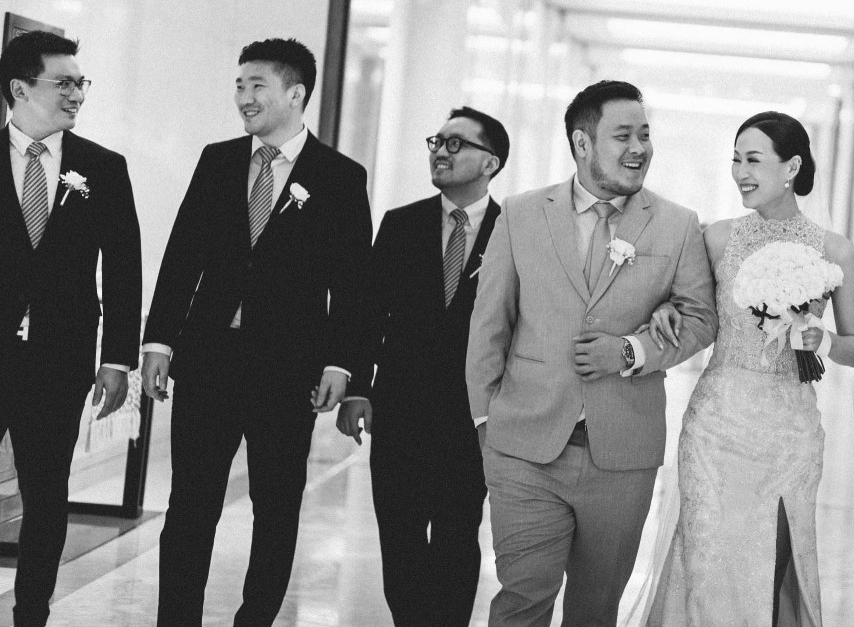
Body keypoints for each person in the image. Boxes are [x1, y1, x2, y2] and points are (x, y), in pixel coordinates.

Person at [466, 80, 717, 627]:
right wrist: (487, 422)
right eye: (623, 136)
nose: (639, 148)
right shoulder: (521, 214)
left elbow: (700, 319)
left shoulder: (677, 224)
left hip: (623, 455)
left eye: (645, 135)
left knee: (595, 611)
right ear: (582, 143)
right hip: (524, 447)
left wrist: (630, 351)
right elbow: (490, 325)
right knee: (521, 600)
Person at [141, 38, 372, 627]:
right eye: (239, 85)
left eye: (257, 85)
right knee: (189, 507)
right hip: (209, 360)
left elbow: (353, 285)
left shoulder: (341, 177)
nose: (244, 97)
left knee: (276, 510)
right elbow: (182, 256)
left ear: (295, 94)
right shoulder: (217, 161)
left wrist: (342, 364)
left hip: (288, 371)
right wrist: (159, 340)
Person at [647, 111, 854, 627]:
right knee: (706, 562)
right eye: (735, 160)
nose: (740, 172)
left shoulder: (835, 250)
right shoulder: (717, 239)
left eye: (753, 160)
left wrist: (823, 339)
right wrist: (665, 310)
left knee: (768, 567)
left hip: (788, 431)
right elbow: (689, 310)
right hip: (716, 426)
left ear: (792, 167)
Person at [337, 106, 508, 626]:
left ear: (490, 163)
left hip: (473, 419)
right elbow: (368, 313)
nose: (440, 152)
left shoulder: (513, 233)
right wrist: (357, 388)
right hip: (400, 410)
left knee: (457, 535)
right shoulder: (402, 223)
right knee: (400, 536)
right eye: (437, 141)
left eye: (456, 144)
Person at [0, 31, 141, 627]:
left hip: (60, 358)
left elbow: (125, 267)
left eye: (81, 83)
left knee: (46, 492)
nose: (77, 94)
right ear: (19, 88)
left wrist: (118, 359)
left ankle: (31, 612)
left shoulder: (103, 168)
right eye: (64, 83)